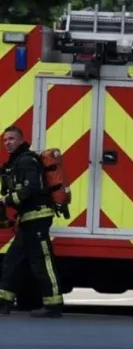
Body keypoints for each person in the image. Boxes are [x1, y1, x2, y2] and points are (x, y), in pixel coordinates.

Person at [0, 126, 63, 317]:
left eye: (11, 139)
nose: (7, 143)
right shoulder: (15, 162)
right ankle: (4, 302)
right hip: (26, 221)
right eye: (4, 140)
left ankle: (53, 305)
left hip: (37, 219)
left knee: (43, 262)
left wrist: (7, 201)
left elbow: (31, 189)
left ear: (21, 140)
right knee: (12, 261)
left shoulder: (27, 161)